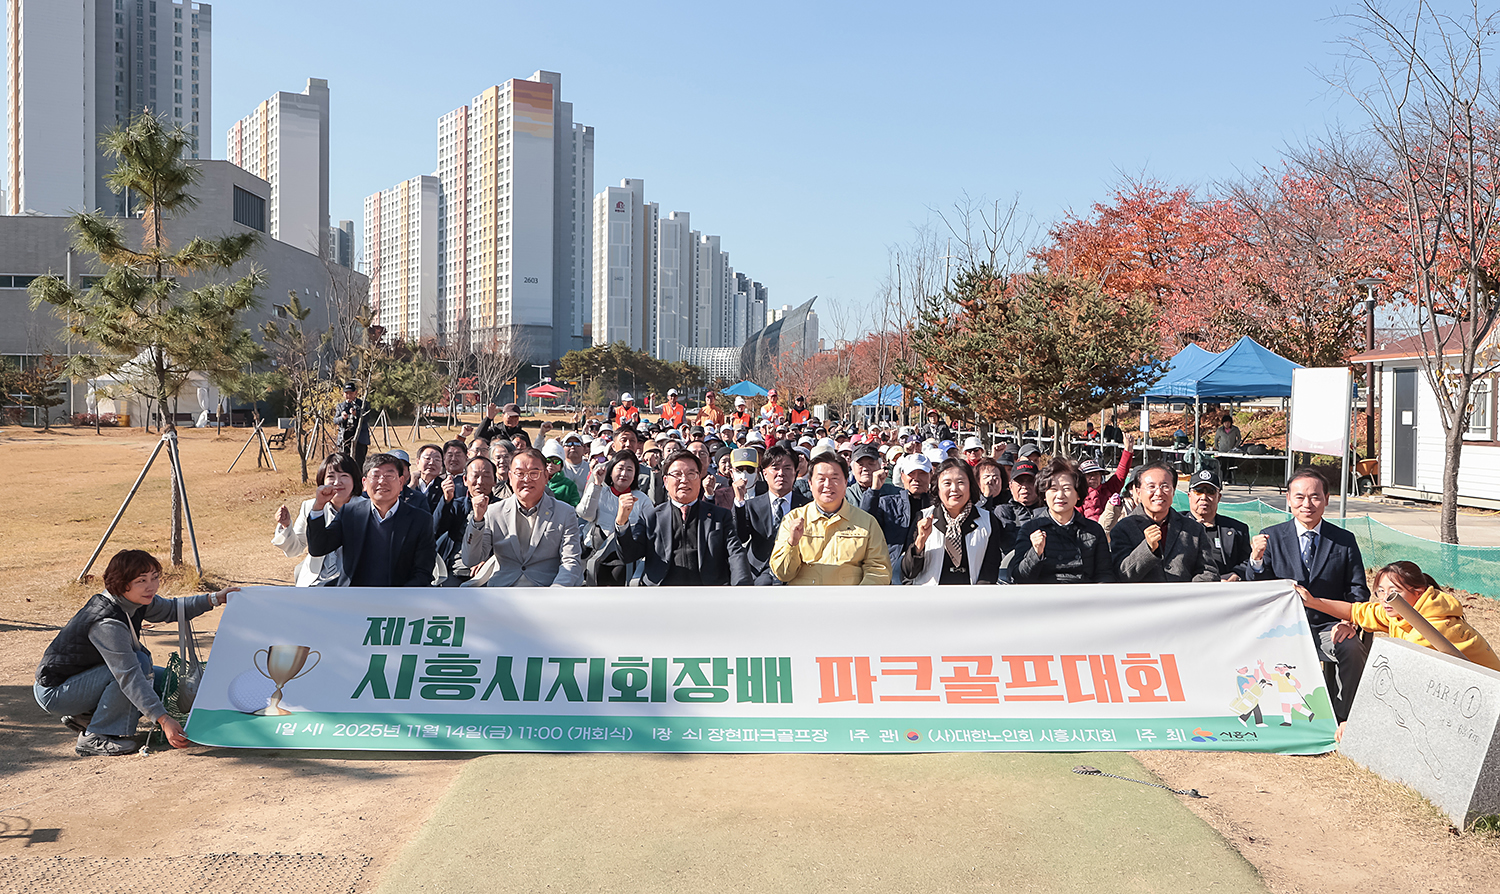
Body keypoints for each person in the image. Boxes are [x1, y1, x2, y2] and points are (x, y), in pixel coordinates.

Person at [34, 549, 238, 756]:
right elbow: (129, 676)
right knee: (140, 668)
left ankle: (86, 716)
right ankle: (95, 736)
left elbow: (172, 609)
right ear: (122, 583)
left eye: (154, 577)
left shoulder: (134, 600)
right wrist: (163, 719)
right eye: (141, 580)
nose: (151, 586)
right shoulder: (107, 623)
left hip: (84, 680)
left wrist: (214, 599)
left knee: (166, 682)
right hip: (57, 692)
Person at [1247, 467, 1370, 722]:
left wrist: (1348, 621)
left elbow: (1357, 589)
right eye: (1300, 497)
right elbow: (1257, 588)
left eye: (1315, 497)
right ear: (1288, 499)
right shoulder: (1271, 537)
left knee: (1351, 647)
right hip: (1282, 627)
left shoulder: (1343, 540)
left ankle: (1344, 718)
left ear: (1326, 499)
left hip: (1328, 626)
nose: (1307, 504)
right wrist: (1256, 559)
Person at [1297, 561, 1500, 671]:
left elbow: (1399, 673)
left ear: (1418, 592)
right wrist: (1313, 602)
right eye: (1381, 591)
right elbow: (1355, 611)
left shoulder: (1433, 628)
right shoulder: (1400, 612)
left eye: (1394, 592)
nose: (1385, 599)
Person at [612, 450, 751, 586]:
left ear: (699, 479)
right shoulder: (651, 517)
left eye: (691, 474)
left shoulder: (720, 516)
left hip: (708, 590)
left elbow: (735, 553)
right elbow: (629, 555)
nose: (684, 480)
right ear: (666, 481)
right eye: (677, 474)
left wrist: (742, 586)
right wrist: (622, 522)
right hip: (662, 590)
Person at [306, 453, 437, 587]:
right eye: (375, 476)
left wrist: (398, 596)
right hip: (354, 594)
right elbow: (318, 548)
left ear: (401, 482)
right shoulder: (350, 513)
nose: (382, 481)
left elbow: (423, 571)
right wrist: (318, 506)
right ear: (364, 483)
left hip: (399, 595)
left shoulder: (420, 519)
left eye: (389, 476)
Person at [461, 448, 584, 587]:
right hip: (504, 590)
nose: (526, 479)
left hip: (547, 588)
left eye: (534, 473)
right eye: (520, 474)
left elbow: (570, 562)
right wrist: (477, 521)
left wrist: (555, 590)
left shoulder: (565, 512)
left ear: (546, 476)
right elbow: (471, 560)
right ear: (510, 477)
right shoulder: (493, 512)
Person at [770, 452, 891, 586]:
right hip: (806, 597)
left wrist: (858, 596)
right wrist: (792, 543)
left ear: (845, 483)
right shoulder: (793, 519)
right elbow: (782, 574)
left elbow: (878, 570)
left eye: (834, 478)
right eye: (821, 479)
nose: (828, 485)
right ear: (810, 484)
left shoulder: (867, 522)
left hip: (849, 597)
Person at [902, 458, 1010, 585]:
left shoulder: (988, 520)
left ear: (971, 485)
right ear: (937, 487)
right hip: (930, 594)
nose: (954, 489)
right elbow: (908, 572)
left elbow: (990, 570)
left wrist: (977, 594)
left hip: (973, 594)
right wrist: (920, 541)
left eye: (960, 482)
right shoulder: (923, 517)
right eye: (947, 483)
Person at [1110, 461, 1219, 583]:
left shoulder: (1194, 529)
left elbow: (1208, 571)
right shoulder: (1123, 529)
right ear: (1138, 491)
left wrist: (1189, 591)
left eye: (1165, 486)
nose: (1159, 493)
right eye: (1151, 487)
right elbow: (1121, 575)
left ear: (1173, 491)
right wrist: (1148, 548)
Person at [1010, 458, 1114, 584]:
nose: (1060, 495)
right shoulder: (1030, 529)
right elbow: (1019, 578)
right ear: (1044, 494)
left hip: (1084, 592)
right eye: (1053, 489)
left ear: (1078, 494)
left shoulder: (1094, 530)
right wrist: (1036, 552)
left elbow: (1105, 574)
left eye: (1067, 489)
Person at [273, 453, 364, 586]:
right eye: (331, 477)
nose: (337, 482)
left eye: (344, 476)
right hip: (315, 582)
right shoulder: (310, 507)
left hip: (352, 583)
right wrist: (286, 526)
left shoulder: (366, 509)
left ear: (354, 479)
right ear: (322, 481)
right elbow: (295, 549)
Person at [734, 444, 810, 585]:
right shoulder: (752, 505)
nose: (781, 473)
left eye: (787, 468)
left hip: (797, 570)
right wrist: (739, 502)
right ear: (764, 473)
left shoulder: (807, 506)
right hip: (761, 571)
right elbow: (740, 536)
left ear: (795, 473)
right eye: (775, 468)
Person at [862, 453, 933, 585]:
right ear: (902, 476)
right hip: (892, 573)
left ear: (931, 476)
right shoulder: (887, 503)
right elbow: (864, 524)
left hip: (930, 571)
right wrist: (874, 490)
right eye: (911, 473)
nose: (916, 478)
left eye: (922, 473)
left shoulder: (938, 507)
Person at [434, 455, 498, 584]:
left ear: (495, 481)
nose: (480, 482)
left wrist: (489, 562)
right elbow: (436, 529)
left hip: (490, 571)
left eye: (486, 476)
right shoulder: (457, 505)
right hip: (455, 570)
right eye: (475, 476)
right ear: (465, 480)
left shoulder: (501, 508)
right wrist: (446, 501)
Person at [1186, 469, 1252, 581]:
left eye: (1211, 492)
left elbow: (1247, 561)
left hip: (1226, 586)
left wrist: (1236, 574)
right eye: (1198, 491)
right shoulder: (1175, 526)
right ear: (1189, 496)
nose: (1204, 497)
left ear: (1219, 497)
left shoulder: (1238, 529)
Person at [1079, 432, 1135, 520]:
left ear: (1101, 476)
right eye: (1089, 475)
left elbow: (1121, 473)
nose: (1093, 477)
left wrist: (1128, 450)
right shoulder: (1077, 496)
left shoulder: (1108, 489)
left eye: (1096, 474)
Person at [335, 382, 371, 467]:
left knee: (359, 463)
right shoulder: (340, 406)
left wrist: (356, 414)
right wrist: (342, 418)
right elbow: (335, 420)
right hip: (345, 438)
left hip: (359, 439)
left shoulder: (363, 404)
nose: (348, 395)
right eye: (346, 393)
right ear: (343, 394)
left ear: (356, 392)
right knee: (344, 463)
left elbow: (367, 418)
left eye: (350, 393)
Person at [541, 440, 581, 507]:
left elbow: (574, 506)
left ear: (561, 465)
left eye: (556, 461)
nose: (551, 465)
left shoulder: (569, 485)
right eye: (548, 461)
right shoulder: (536, 481)